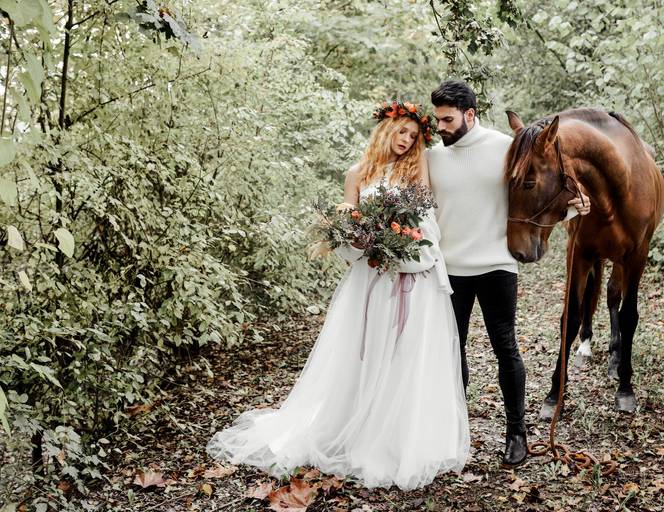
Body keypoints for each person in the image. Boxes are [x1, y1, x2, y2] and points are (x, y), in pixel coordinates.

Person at [206, 101, 469, 490]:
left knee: (411, 350)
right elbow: (350, 230)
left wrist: (406, 244)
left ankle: (402, 436)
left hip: (418, 276)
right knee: (368, 350)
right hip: (373, 278)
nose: (407, 141)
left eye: (413, 136)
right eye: (401, 132)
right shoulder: (357, 174)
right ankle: (355, 426)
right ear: (385, 130)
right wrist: (362, 240)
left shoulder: (417, 169)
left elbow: (428, 219)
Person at [427, 79, 589, 467]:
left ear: (470, 114)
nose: (441, 127)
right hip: (449, 270)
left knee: (506, 347)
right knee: (452, 350)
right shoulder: (432, 157)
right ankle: (455, 431)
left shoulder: (505, 148)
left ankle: (517, 433)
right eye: (438, 120)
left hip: (497, 265)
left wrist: (571, 208)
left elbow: (538, 190)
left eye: (447, 119)